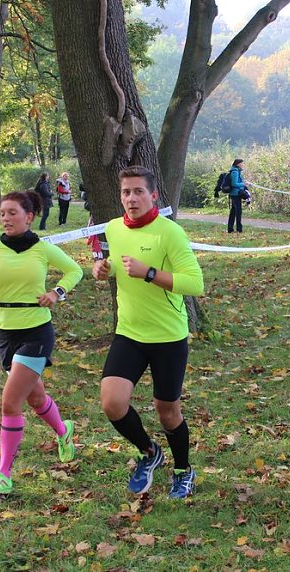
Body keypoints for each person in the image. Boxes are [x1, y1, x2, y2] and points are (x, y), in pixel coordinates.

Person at [92, 166, 204, 499]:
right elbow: (114, 263)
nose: (131, 198)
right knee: (112, 403)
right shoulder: (113, 228)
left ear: (153, 195)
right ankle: (149, 452)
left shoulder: (169, 232)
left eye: (138, 191)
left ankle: (183, 471)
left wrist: (150, 273)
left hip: (168, 336)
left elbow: (194, 283)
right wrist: (100, 268)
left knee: (166, 410)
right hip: (129, 332)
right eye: (126, 192)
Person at [0, 190, 83, 495]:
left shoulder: (43, 248)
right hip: (5, 331)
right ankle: (63, 430)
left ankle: (3, 475)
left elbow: (75, 270)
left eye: (12, 213)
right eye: (2, 213)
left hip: (36, 331)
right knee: (34, 397)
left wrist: (57, 292)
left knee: (10, 402)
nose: (5, 218)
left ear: (29, 217)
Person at [227, 159, 248, 233]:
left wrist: (243, 184)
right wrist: (243, 184)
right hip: (235, 194)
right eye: (242, 164)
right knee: (238, 212)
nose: (243, 165)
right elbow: (234, 184)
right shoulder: (235, 172)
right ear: (238, 164)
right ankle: (239, 229)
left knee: (233, 212)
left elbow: (238, 182)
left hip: (236, 193)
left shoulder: (237, 171)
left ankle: (230, 229)